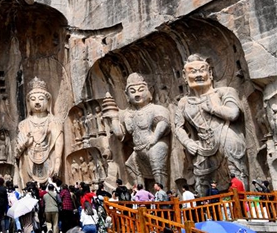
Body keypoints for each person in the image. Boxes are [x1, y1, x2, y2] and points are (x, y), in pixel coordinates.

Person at [174, 54, 247, 195]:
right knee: (202, 184)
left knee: (236, 177)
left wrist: (214, 108)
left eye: (202, 70)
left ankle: (243, 210)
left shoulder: (223, 92)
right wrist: (187, 142)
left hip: (226, 137)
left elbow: (233, 114)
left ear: (210, 73)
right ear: (184, 75)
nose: (199, 75)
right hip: (202, 145)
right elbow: (178, 127)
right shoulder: (184, 102)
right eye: (193, 72)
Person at [103, 73, 171, 185]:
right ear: (127, 96)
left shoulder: (155, 108)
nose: (137, 95)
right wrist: (114, 118)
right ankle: (142, 193)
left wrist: (154, 138)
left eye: (141, 90)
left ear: (149, 92)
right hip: (138, 149)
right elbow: (121, 135)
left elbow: (163, 123)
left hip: (155, 145)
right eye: (133, 92)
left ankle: (163, 194)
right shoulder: (128, 115)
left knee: (158, 170)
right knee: (131, 166)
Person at [15, 77, 64, 186]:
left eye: (41, 99)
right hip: (29, 160)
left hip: (49, 159)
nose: (37, 102)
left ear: (48, 102)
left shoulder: (55, 122)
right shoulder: (23, 124)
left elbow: (58, 144)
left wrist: (57, 164)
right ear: (28, 103)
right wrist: (23, 145)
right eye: (33, 99)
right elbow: (17, 153)